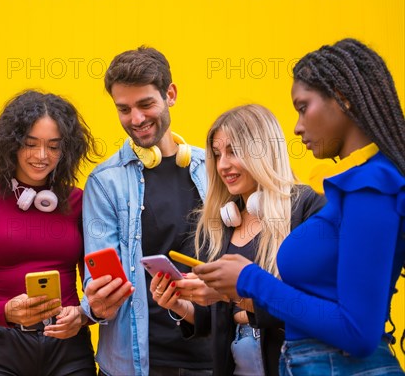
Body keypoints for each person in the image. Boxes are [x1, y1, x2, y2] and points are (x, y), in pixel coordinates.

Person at [194, 39, 405, 375]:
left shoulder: (371, 186)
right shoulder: (359, 186)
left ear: (342, 98)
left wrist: (250, 280)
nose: (296, 126)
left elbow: (358, 333)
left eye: (303, 107)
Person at [150, 104, 326, 376]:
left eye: (234, 152)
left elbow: (311, 305)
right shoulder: (223, 222)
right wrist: (178, 304)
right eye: (218, 155)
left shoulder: (308, 207)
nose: (223, 165)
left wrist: (233, 296)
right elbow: (217, 319)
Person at [81, 46, 213, 375]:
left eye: (145, 104)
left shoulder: (214, 167)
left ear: (170, 94)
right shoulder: (105, 182)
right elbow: (99, 280)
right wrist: (94, 303)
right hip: (139, 361)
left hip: (214, 354)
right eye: (123, 109)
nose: (136, 119)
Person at [0, 90, 98, 376]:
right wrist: (6, 313)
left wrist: (82, 316)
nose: (42, 156)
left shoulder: (79, 201)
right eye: (30, 144)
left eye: (54, 146)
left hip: (68, 347)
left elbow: (98, 287)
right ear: (12, 144)